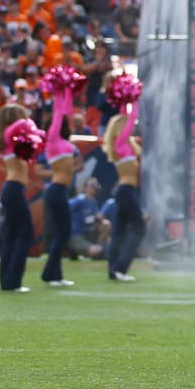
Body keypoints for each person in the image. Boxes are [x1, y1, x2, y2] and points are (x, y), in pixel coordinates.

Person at [0, 104, 41, 292]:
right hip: (13, 189)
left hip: (12, 189)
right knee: (25, 234)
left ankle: (7, 280)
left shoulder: (11, 140)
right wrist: (27, 120)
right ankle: (13, 281)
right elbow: (25, 123)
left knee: (11, 235)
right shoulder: (9, 135)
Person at [41, 74, 78, 287]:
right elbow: (58, 114)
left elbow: (66, 114)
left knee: (62, 232)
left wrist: (68, 92)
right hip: (56, 190)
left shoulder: (64, 141)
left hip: (61, 191)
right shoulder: (52, 141)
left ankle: (56, 274)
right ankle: (50, 274)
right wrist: (57, 91)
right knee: (63, 232)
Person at [104, 101, 144, 282]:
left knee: (119, 232)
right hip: (126, 191)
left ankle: (113, 269)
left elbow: (126, 118)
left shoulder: (122, 145)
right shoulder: (120, 144)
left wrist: (125, 100)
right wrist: (134, 100)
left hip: (124, 191)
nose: (131, 127)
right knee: (139, 228)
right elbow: (131, 118)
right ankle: (121, 267)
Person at [68, 177, 109, 261]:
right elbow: (65, 208)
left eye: (96, 186)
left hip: (87, 233)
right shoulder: (79, 200)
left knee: (106, 224)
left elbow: (96, 218)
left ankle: (95, 247)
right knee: (97, 252)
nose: (95, 188)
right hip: (75, 235)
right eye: (92, 185)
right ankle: (78, 250)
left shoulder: (93, 201)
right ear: (85, 187)